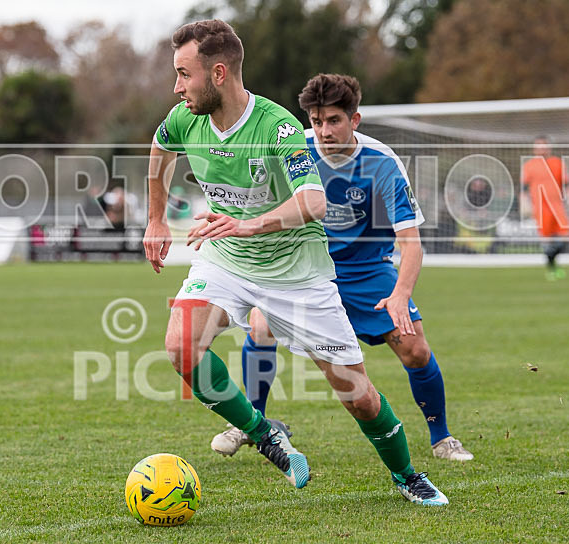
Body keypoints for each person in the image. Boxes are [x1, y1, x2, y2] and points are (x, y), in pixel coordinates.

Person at [145, 21, 448, 505]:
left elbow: (313, 201)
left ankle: (408, 475)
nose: (176, 87)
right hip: (226, 260)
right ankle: (266, 436)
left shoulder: (278, 126)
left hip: (297, 273)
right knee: (181, 345)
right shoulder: (183, 118)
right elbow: (160, 149)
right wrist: (156, 219)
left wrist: (248, 222)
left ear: (218, 73)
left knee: (357, 393)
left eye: (184, 75)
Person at [211, 73, 474, 464]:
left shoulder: (380, 162)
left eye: (333, 120)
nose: (322, 131)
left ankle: (442, 437)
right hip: (306, 267)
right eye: (316, 121)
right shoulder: (294, 148)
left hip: (368, 270)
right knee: (261, 326)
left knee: (415, 349)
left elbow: (411, 242)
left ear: (355, 120)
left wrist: (400, 294)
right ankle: (252, 424)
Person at [521, 135, 569, 280]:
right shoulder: (529, 166)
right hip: (540, 208)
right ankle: (552, 270)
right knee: (547, 240)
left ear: (548, 147)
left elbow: (567, 183)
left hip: (557, 206)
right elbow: (523, 188)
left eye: (543, 145)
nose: (541, 149)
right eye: (538, 146)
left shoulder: (557, 163)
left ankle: (551, 258)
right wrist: (524, 203)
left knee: (565, 237)